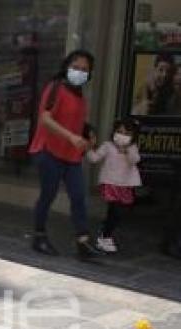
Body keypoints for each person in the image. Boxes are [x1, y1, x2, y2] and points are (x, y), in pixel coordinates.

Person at [28, 49, 102, 261]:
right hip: (49, 150)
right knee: (48, 195)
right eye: (76, 67)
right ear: (67, 67)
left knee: (79, 196)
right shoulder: (55, 88)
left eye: (84, 69)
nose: (79, 72)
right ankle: (39, 236)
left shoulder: (80, 97)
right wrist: (71, 136)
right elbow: (46, 119)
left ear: (89, 74)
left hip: (71, 155)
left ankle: (83, 242)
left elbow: (73, 120)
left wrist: (88, 131)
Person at [86, 118, 141, 253]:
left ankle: (106, 232)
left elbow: (135, 160)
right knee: (114, 209)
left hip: (125, 185)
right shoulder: (107, 146)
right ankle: (105, 236)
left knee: (119, 213)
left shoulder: (132, 148)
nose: (122, 135)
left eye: (126, 133)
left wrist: (126, 150)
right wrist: (88, 147)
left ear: (132, 136)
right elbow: (94, 158)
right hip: (110, 183)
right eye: (119, 132)